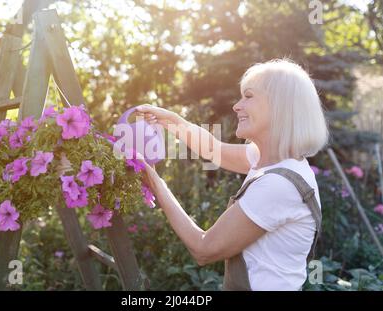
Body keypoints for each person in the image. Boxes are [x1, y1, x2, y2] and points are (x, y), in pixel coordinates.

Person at [136, 58, 329, 291]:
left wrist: (155, 183)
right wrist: (173, 122)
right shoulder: (272, 160)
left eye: (248, 96)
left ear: (280, 106)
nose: (237, 106)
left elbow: (204, 248)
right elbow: (214, 150)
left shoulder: (279, 185)